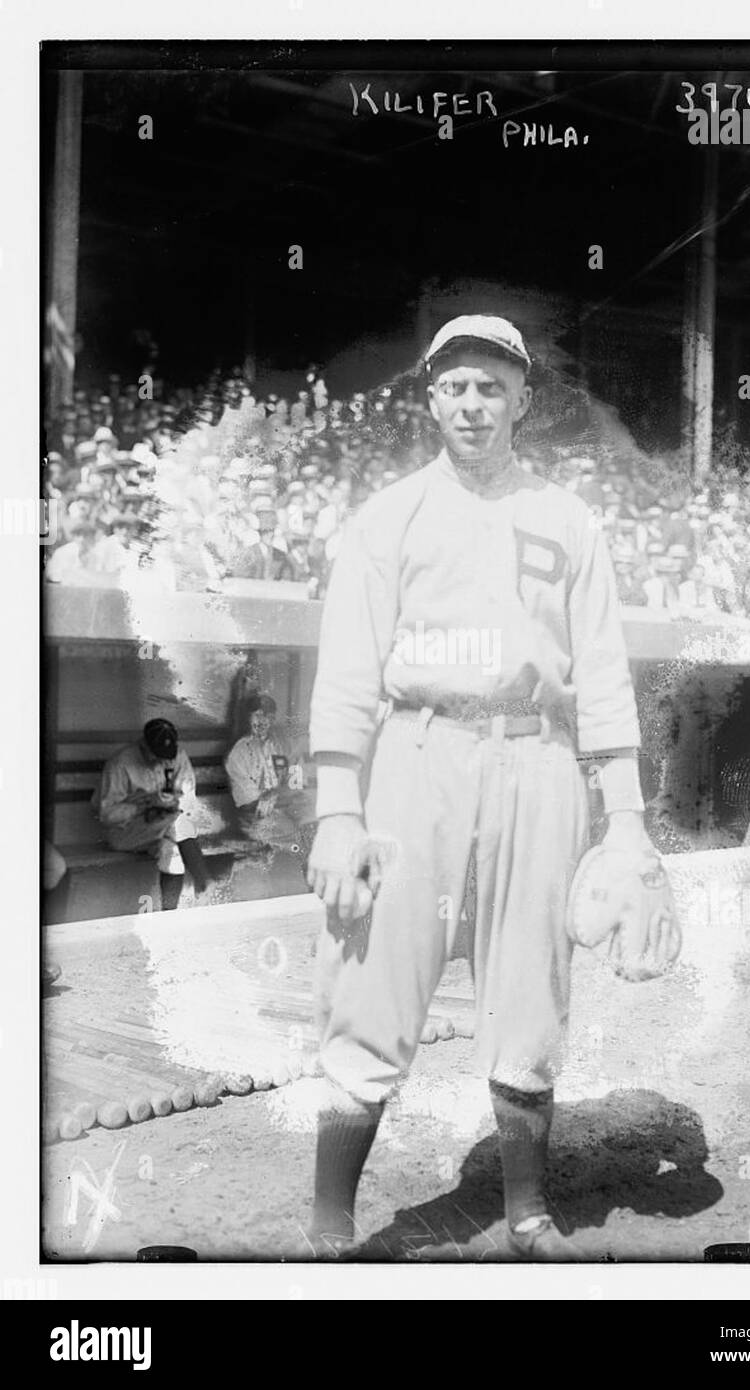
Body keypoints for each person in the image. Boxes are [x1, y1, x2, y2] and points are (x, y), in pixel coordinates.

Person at [304, 314, 673, 1261]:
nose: (473, 403)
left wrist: (626, 824)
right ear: (431, 399)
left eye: (491, 386)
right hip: (416, 758)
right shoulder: (388, 517)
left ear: (522, 400)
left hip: (538, 764)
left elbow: (600, 674)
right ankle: (327, 1227)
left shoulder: (567, 518)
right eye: (455, 385)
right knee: (374, 981)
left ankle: (526, 1213)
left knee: (529, 992)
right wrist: (338, 813)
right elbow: (346, 673)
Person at [93, 719, 210, 910]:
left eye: (167, 755)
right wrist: (144, 805)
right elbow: (106, 815)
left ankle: (168, 915)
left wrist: (169, 805)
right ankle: (204, 881)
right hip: (125, 833)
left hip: (164, 828)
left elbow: (189, 800)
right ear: (145, 745)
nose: (164, 760)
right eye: (158, 754)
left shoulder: (178, 756)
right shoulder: (121, 763)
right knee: (177, 828)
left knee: (172, 850)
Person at [224, 695, 310, 845]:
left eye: (268, 716)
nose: (262, 721)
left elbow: (297, 785)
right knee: (295, 835)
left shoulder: (284, 745)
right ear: (249, 718)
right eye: (257, 715)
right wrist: (281, 792)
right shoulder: (238, 753)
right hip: (256, 819)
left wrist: (275, 793)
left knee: (315, 822)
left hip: (288, 808)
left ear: (273, 719)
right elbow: (251, 804)